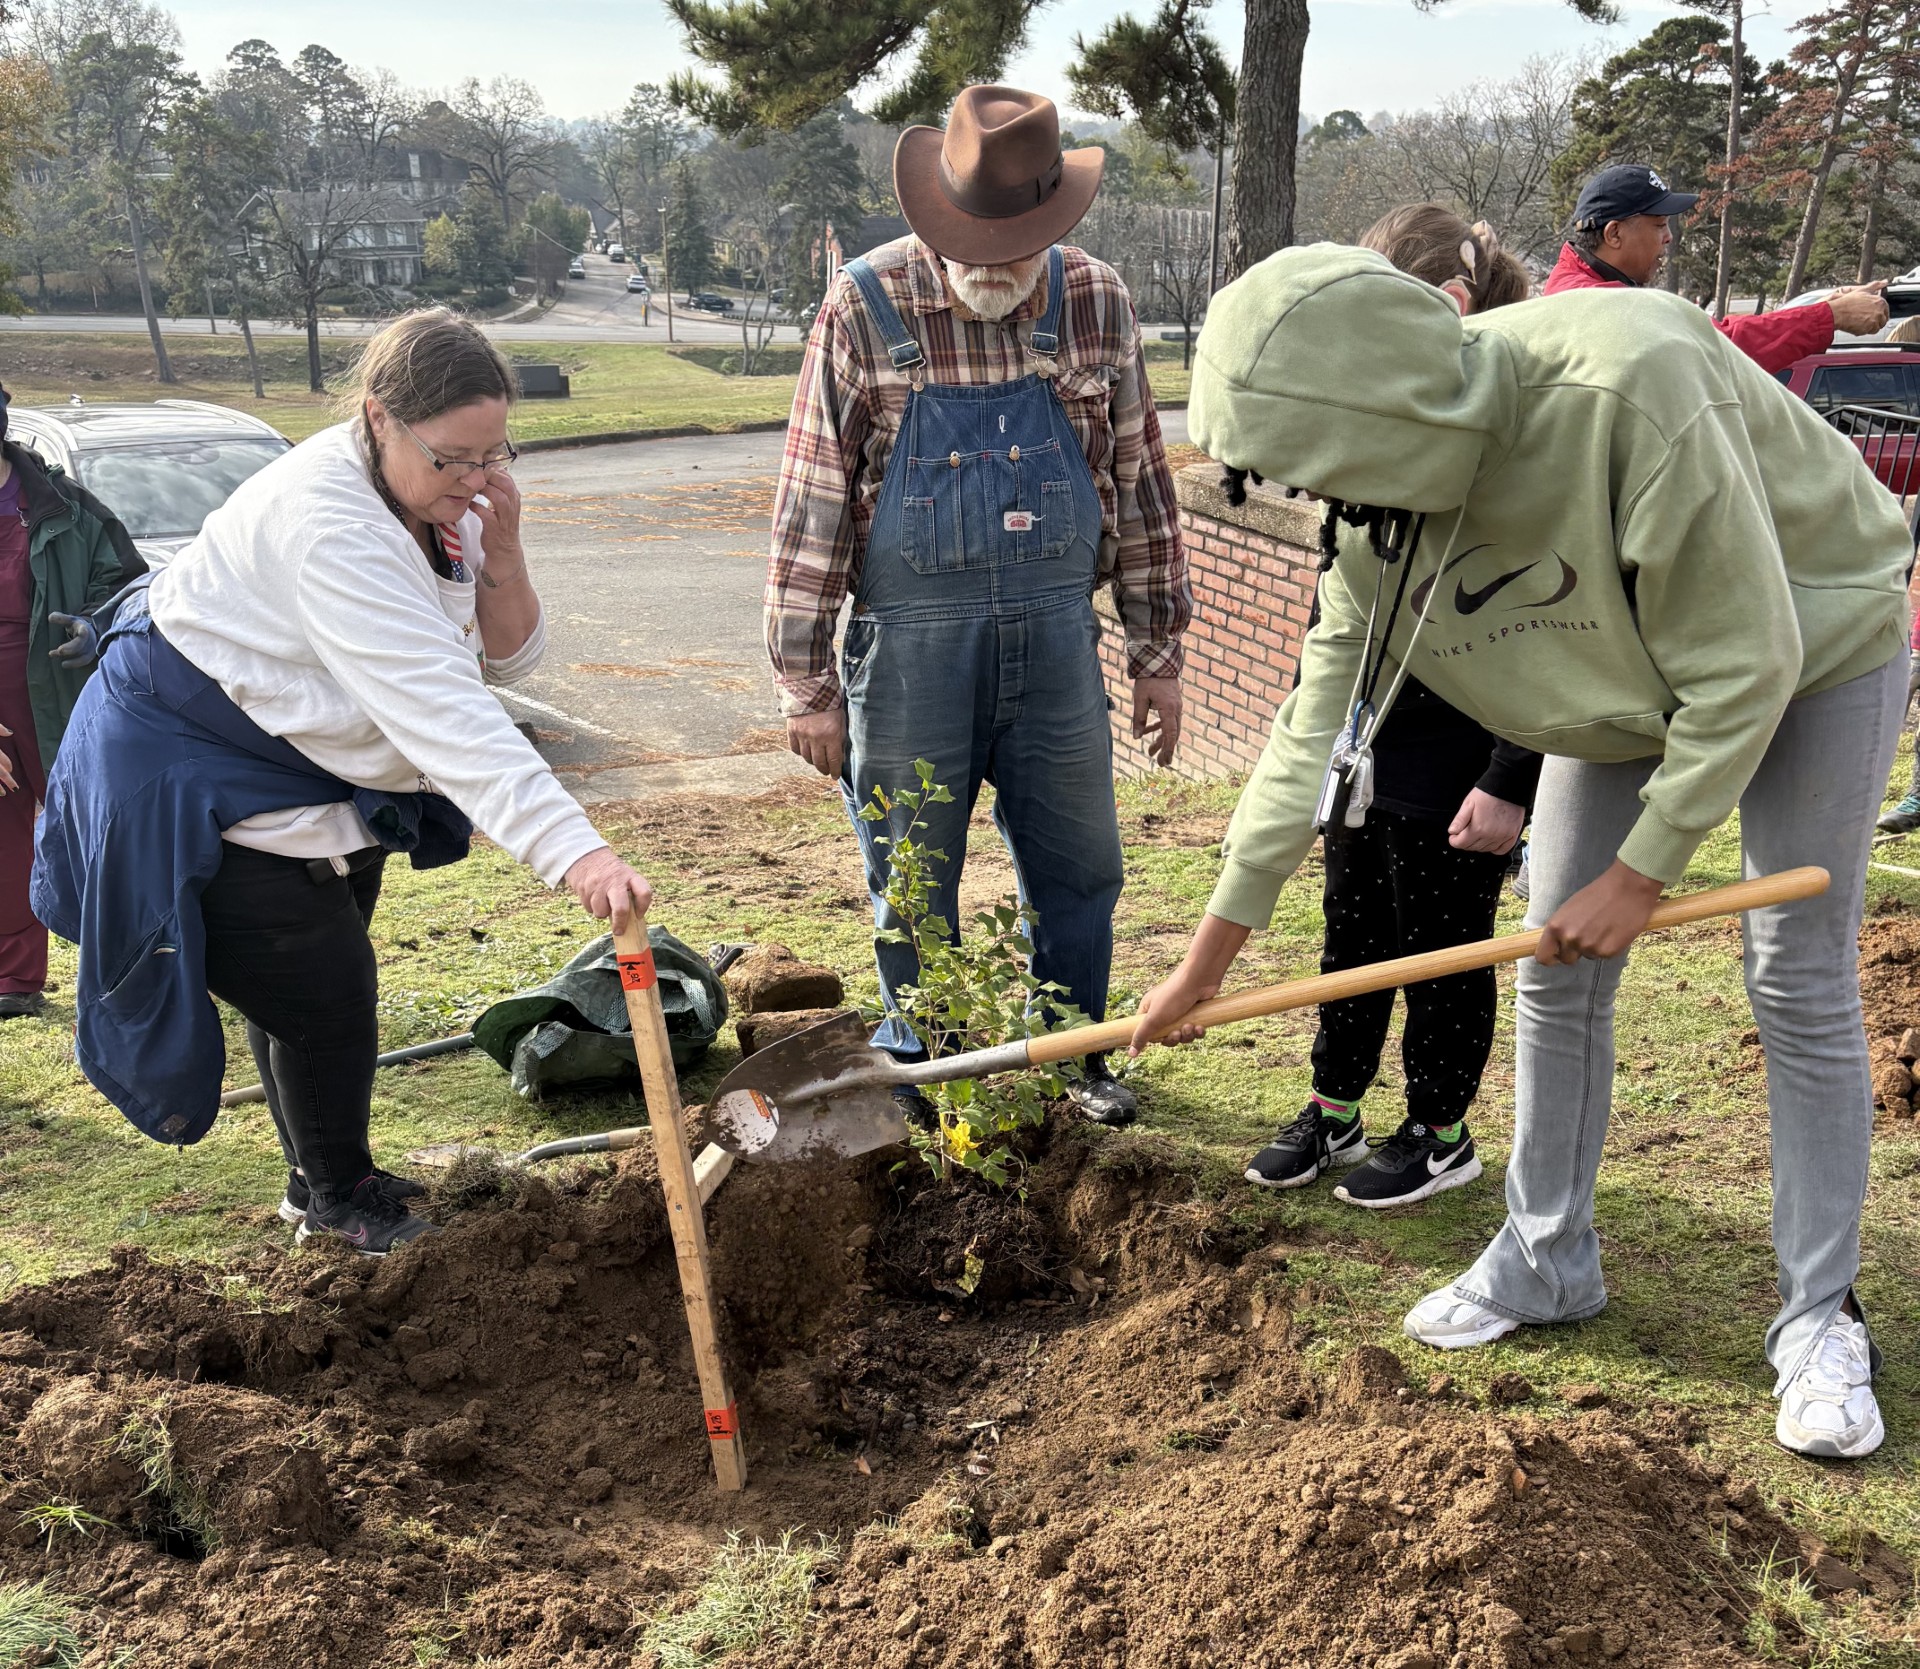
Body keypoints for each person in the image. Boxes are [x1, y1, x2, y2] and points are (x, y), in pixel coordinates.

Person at [1135, 243, 1910, 1460]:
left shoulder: (1630, 382)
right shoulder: (1373, 521)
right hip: (1612, 680)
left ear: (1383, 415)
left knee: (1793, 972)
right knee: (1556, 962)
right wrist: (1206, 961)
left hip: (1812, 638)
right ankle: (1548, 1257)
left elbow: (1744, 664)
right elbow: (1308, 737)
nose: (1319, 506)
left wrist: (1642, 872)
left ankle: (1821, 1314)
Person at [33, 309, 652, 1256]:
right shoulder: (330, 526)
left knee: (309, 976)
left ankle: (321, 1177)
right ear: (378, 417)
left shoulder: (446, 496)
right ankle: (337, 1195)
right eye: (455, 458)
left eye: (499, 454)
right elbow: (449, 711)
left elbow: (513, 658)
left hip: (306, 759)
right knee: (321, 992)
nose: (480, 479)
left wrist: (506, 550)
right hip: (189, 760)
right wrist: (577, 851)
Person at [766, 85, 1191, 1127]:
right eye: (972, 244)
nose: (993, 269)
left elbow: (1138, 483)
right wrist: (807, 684)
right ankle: (930, 1061)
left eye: (1016, 249)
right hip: (910, 652)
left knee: (1080, 861)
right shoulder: (863, 306)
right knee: (912, 869)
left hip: (1055, 644)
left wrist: (1158, 652)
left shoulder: (1098, 303)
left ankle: (1073, 1053)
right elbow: (813, 498)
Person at [1244, 206, 1543, 1209]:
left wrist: (1512, 778)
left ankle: (1441, 1129)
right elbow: (1348, 597)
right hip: (1369, 740)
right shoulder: (1385, 429)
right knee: (1353, 932)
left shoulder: (1515, 432)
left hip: (1461, 751)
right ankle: (1336, 1105)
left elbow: (1552, 636)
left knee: (1442, 951)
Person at [0, 386, 138, 1021]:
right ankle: (14, 978)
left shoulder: (66, 505)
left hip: (64, 693)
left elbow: (129, 582)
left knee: (95, 830)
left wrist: (96, 622)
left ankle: (131, 967)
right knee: (3, 840)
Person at [1545, 164, 1890, 372]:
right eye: (1659, 224)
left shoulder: (1578, 284)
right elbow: (1719, 346)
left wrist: (1825, 307)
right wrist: (1830, 317)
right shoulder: (1601, 304)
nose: (1668, 237)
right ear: (1614, 233)